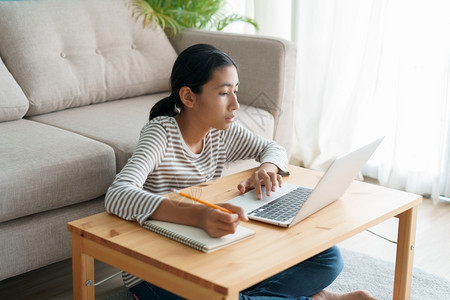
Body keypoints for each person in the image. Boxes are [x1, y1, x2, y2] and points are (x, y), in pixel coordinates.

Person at [105, 44, 376, 300]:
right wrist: (199, 215)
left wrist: (266, 169)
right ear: (189, 96)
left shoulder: (221, 132)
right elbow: (118, 195)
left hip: (209, 255)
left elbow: (273, 148)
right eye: (224, 93)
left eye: (236, 90)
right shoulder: (160, 135)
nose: (235, 103)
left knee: (327, 257)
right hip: (154, 271)